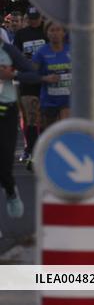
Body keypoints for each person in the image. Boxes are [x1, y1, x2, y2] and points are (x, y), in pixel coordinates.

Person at [0, 38, 35, 219]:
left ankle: (11, 190)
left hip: (6, 111)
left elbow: (32, 72)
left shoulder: (8, 50)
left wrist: (12, 75)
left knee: (5, 163)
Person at [13, 8, 46, 164]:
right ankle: (30, 150)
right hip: (27, 81)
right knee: (30, 117)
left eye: (36, 18)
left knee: (45, 117)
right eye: (31, 18)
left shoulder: (48, 31)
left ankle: (44, 147)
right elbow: (15, 56)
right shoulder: (21, 34)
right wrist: (24, 59)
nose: (34, 21)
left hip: (45, 80)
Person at [33, 22, 72, 129]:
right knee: (51, 132)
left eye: (58, 30)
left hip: (68, 99)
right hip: (49, 100)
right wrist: (45, 78)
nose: (55, 33)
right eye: (52, 30)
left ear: (64, 33)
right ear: (47, 33)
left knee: (65, 129)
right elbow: (31, 74)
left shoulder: (72, 50)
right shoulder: (41, 52)